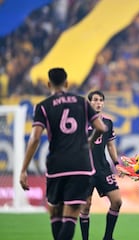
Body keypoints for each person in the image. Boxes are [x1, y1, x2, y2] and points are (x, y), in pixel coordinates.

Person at [19, 68, 107, 240]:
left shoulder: (43, 106)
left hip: (57, 165)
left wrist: (23, 169)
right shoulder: (82, 102)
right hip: (81, 165)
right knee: (71, 215)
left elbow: (35, 138)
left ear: (48, 84)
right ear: (67, 83)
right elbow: (101, 127)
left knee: (55, 212)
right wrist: (88, 142)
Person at [79, 90, 122, 240]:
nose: (98, 103)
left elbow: (110, 145)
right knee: (85, 205)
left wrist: (116, 163)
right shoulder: (80, 121)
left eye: (101, 100)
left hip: (103, 168)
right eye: (95, 100)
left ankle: (108, 237)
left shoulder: (108, 122)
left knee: (117, 201)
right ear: (89, 103)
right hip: (84, 169)